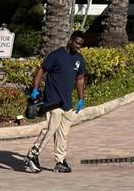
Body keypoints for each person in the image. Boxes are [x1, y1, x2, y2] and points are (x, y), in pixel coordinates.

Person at [25, 31, 88, 174]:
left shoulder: (79, 59)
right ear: (70, 40)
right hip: (53, 100)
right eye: (77, 43)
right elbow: (42, 70)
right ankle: (32, 155)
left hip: (67, 102)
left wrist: (81, 98)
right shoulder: (56, 55)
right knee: (50, 128)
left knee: (63, 133)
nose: (78, 46)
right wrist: (35, 89)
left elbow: (80, 79)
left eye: (81, 45)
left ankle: (60, 161)